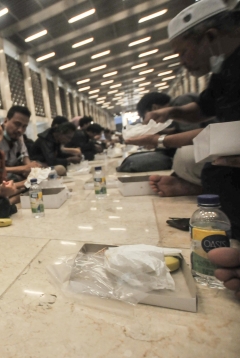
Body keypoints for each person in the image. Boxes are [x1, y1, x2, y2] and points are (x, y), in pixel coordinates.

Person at [132, 0, 240, 294]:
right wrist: (170, 113)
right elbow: (204, 109)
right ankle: (196, 190)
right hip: (228, 151)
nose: (181, 60)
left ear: (210, 36)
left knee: (205, 164)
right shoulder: (222, 73)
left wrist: (160, 140)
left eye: (183, 51)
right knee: (208, 167)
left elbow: (218, 132)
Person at [0, 105, 41, 181]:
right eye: (17, 124)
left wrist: (31, 168)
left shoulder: (18, 136)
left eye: (24, 127)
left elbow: (24, 156)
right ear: (5, 121)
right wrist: (23, 168)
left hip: (11, 175)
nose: (20, 130)